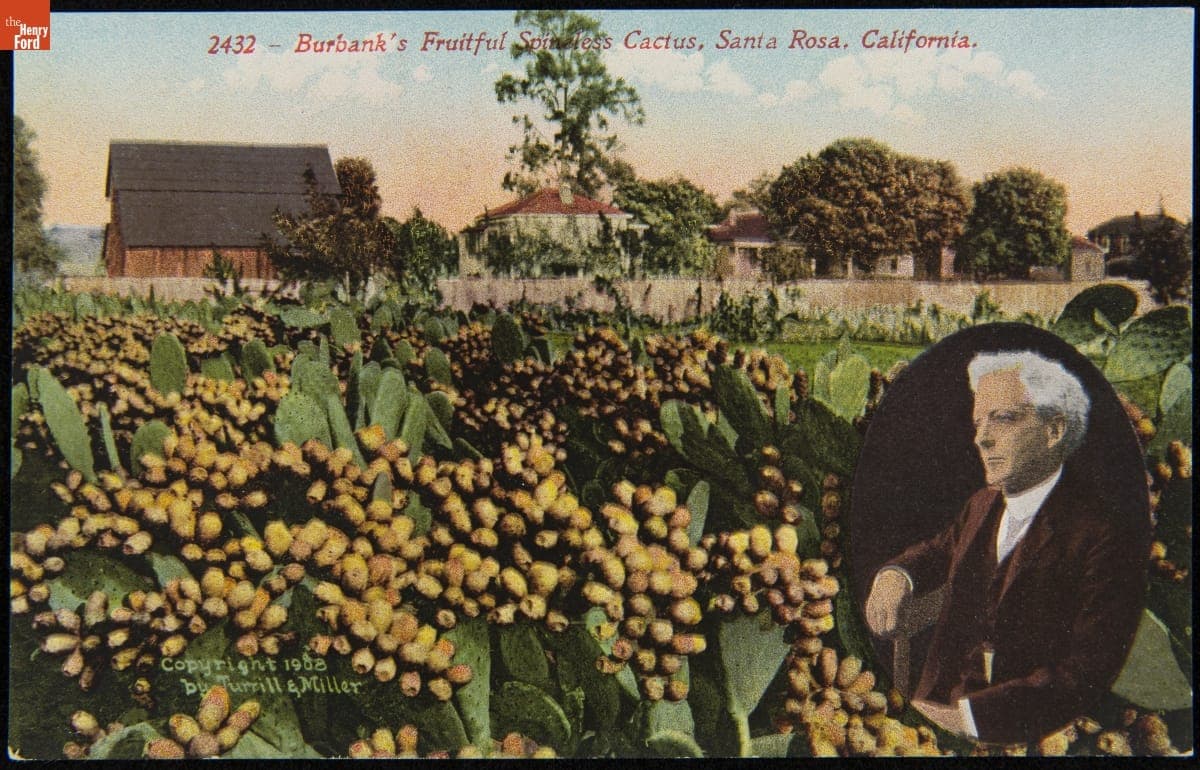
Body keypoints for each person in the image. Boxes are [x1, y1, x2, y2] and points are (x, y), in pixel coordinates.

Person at [863, 350, 1146, 744]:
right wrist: (896, 577)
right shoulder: (982, 503)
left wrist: (964, 719)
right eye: (979, 421)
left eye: (1003, 417)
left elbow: (1085, 672)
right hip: (929, 711)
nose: (981, 437)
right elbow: (934, 551)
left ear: (1054, 430)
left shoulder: (1100, 533)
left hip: (1017, 733)